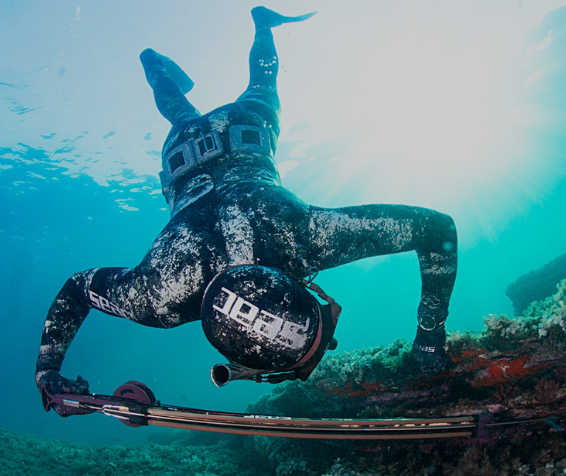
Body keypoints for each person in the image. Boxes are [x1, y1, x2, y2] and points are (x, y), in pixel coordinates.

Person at [36, 7, 458, 406]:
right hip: (184, 152)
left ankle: (260, 26)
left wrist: (429, 334)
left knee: (262, 86)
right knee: (183, 115)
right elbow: (78, 288)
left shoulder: (304, 238)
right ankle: (156, 66)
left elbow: (438, 229)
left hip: (245, 129)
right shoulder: (158, 295)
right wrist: (47, 371)